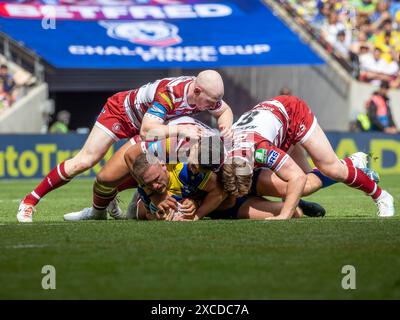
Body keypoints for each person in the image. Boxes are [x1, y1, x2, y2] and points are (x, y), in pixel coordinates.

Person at [17, 70, 234, 223]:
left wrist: (226, 125)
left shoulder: (207, 94)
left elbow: (224, 110)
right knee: (85, 161)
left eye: (215, 102)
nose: (212, 107)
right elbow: (147, 131)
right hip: (122, 114)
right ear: (196, 91)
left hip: (152, 127)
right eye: (210, 102)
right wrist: (180, 131)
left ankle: (101, 210)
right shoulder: (170, 94)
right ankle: (29, 202)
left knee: (146, 169)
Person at [222, 95, 395, 220]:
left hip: (293, 114)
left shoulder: (261, 151)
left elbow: (297, 178)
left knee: (331, 169)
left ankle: (381, 196)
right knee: (309, 179)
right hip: (272, 119)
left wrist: (284, 215)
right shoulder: (218, 149)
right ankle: (352, 163)